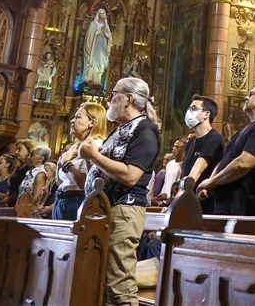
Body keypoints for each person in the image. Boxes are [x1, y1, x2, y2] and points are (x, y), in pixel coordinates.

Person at [81, 77, 161, 306]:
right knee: (104, 282)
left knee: (119, 286)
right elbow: (102, 170)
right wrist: (91, 160)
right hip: (106, 209)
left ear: (129, 99)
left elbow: (131, 175)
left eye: (113, 94)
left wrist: (95, 156)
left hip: (124, 210)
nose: (109, 99)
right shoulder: (121, 129)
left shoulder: (145, 130)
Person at [197, 81, 255, 215]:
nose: (245, 97)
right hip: (230, 205)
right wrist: (211, 183)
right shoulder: (248, 128)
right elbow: (227, 159)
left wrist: (211, 182)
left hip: (248, 207)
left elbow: (243, 164)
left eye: (251, 94)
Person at [54, 102, 108, 220]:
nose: (72, 120)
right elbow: (61, 182)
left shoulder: (94, 145)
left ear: (92, 122)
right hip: (62, 200)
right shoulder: (75, 146)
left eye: (78, 117)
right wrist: (60, 164)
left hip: (76, 201)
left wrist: (66, 163)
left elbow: (83, 183)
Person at [180, 95, 225, 213]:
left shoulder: (214, 139)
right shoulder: (191, 141)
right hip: (189, 201)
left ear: (206, 114)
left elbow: (197, 171)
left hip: (204, 204)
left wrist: (178, 200)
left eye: (194, 109)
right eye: (189, 109)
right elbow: (186, 171)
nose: (189, 112)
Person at [81, 8, 112, 90]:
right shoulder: (93, 24)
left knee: (100, 64)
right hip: (94, 47)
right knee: (92, 62)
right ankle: (89, 79)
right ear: (98, 15)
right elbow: (89, 37)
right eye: (101, 13)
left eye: (104, 13)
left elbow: (110, 39)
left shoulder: (106, 26)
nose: (103, 14)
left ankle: (97, 80)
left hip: (102, 47)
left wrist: (105, 33)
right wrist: (98, 32)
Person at [18, 146, 52, 210]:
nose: (28, 157)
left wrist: (24, 209)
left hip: (28, 212)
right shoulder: (30, 172)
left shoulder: (40, 174)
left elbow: (36, 196)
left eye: (32, 155)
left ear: (41, 159)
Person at [5, 139, 34, 206]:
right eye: (16, 149)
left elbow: (21, 189)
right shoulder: (19, 167)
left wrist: (7, 199)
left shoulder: (29, 169)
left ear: (28, 151)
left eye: (19, 149)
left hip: (20, 203)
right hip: (11, 203)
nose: (16, 152)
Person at [159, 138, 187, 203]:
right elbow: (166, 182)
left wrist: (169, 196)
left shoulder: (184, 164)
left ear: (184, 149)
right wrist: (162, 195)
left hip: (175, 199)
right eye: (174, 146)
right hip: (165, 199)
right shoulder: (170, 163)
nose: (174, 148)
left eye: (177, 147)